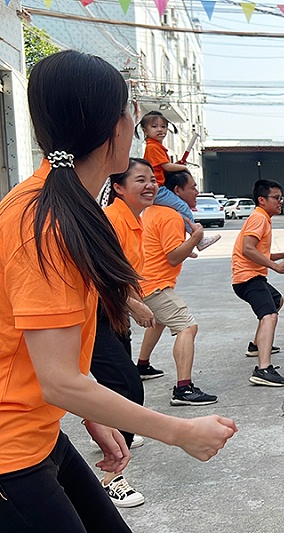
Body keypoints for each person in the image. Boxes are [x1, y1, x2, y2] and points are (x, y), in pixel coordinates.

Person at [0, 50, 236, 532]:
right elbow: (60, 378)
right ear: (117, 130)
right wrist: (181, 432)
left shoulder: (65, 205)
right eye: (131, 112)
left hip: (37, 433)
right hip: (10, 450)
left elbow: (50, 356)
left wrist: (91, 416)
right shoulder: (42, 222)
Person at [92, 158, 159, 508]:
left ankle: (111, 429)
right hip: (93, 314)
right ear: (118, 186)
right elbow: (99, 269)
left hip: (113, 311)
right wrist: (133, 303)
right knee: (127, 387)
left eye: (152, 179)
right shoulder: (112, 219)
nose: (150, 185)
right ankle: (110, 478)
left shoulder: (133, 219)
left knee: (114, 390)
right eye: (140, 180)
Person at [137, 169, 219, 406]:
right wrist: (196, 238)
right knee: (187, 327)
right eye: (192, 187)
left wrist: (186, 250)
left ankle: (142, 366)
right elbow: (173, 256)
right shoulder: (172, 216)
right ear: (177, 191)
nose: (196, 191)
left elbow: (163, 248)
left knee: (159, 320)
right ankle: (183, 389)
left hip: (144, 281)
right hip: (154, 284)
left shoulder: (152, 211)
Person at [232, 179, 284, 387]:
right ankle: (263, 369)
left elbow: (259, 252)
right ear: (262, 199)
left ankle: (256, 346)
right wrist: (275, 267)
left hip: (251, 276)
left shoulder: (264, 219)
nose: (280, 202)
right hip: (248, 277)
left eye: (280, 198)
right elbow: (247, 249)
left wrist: (282, 255)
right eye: (276, 198)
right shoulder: (259, 218)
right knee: (269, 316)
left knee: (276, 301)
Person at [139, 110, 220, 251]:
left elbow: (163, 168)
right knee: (182, 207)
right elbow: (166, 166)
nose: (160, 130)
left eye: (163, 127)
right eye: (154, 126)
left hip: (158, 186)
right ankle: (198, 240)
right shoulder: (153, 147)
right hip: (158, 188)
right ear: (144, 130)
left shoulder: (156, 147)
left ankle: (181, 246)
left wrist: (175, 166)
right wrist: (184, 169)